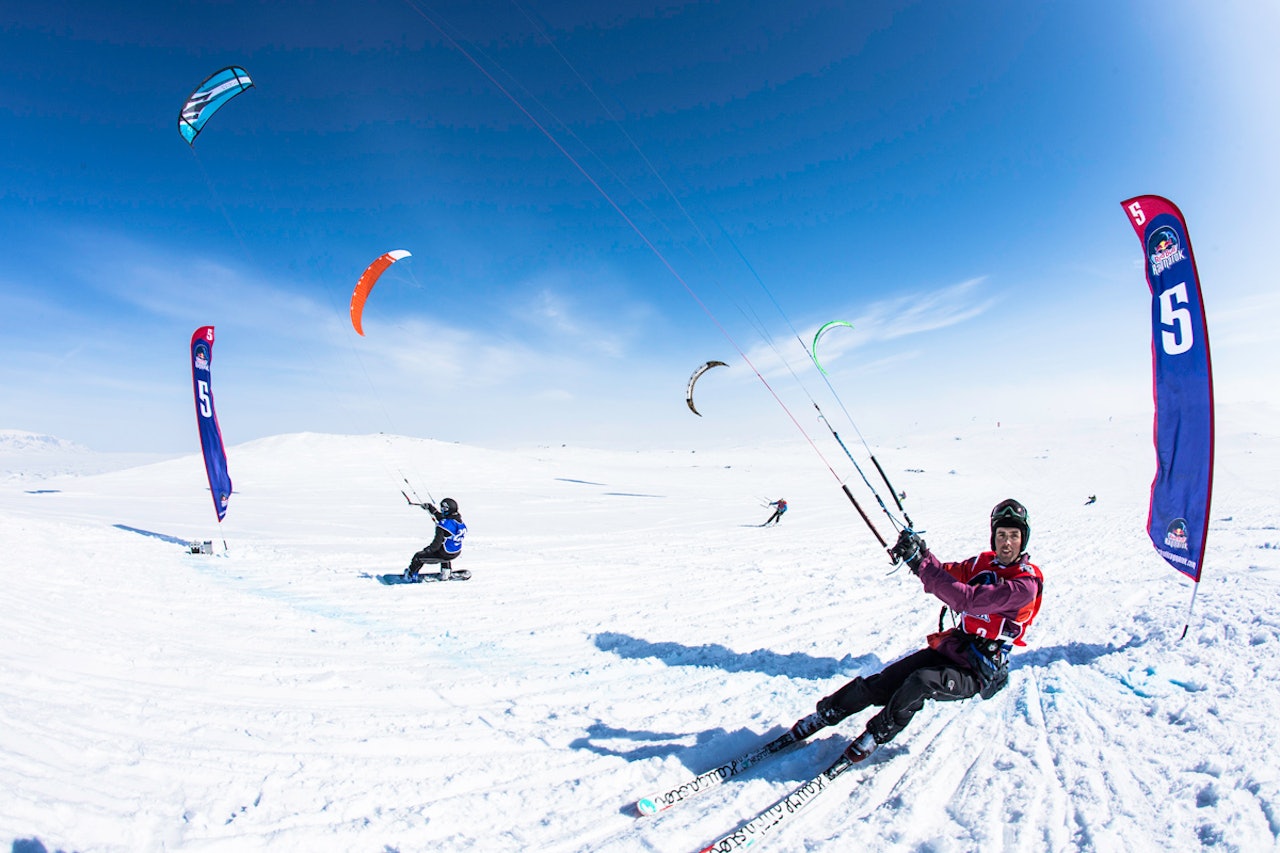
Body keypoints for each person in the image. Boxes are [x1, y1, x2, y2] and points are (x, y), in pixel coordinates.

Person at [792, 498, 1043, 762]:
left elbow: (965, 599)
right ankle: (828, 713)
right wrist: (922, 554)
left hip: (979, 670)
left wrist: (920, 564)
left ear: (1023, 540)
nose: (1006, 543)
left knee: (919, 683)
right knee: (886, 680)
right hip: (954, 649)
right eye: (1001, 535)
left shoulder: (1026, 584)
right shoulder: (982, 563)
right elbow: (947, 573)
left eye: (1014, 536)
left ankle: (876, 734)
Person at [404, 497, 468, 580]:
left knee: (418, 557)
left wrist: (426, 551)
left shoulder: (442, 526)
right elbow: (443, 518)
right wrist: (431, 509)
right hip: (455, 552)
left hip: (445, 554)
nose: (441, 510)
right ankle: (446, 571)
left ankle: (410, 575)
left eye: (442, 508)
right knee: (446, 545)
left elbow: (435, 545)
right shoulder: (458, 521)